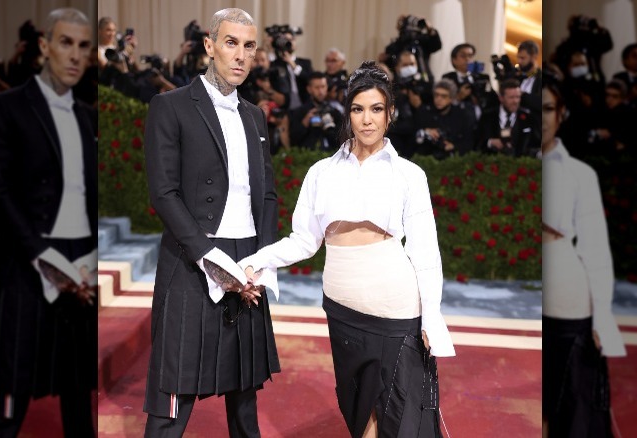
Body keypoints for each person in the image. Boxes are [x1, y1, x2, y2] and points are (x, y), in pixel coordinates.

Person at [237, 60, 455, 438]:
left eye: (376, 110)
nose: (366, 120)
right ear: (347, 113)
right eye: (358, 109)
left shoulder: (408, 175)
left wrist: (431, 316)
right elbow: (304, 240)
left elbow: (425, 251)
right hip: (342, 308)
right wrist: (257, 261)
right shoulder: (322, 172)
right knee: (360, 416)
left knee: (399, 420)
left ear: (390, 114)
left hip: (395, 308)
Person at [142, 8, 280, 438]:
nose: (240, 55)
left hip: (248, 260)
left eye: (249, 45)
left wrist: (263, 261)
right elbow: (164, 194)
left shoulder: (256, 117)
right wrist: (210, 258)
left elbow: (268, 196)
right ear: (209, 45)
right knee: (173, 397)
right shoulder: (170, 107)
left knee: (244, 398)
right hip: (193, 258)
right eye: (230, 42)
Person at [0, 8, 97, 437]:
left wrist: (91, 258)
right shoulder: (7, 108)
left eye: (84, 46)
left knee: (79, 394)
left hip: (81, 263)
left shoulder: (87, 117)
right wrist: (42, 257)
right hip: (26, 263)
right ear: (44, 46)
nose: (75, 55)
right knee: (9, 391)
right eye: (66, 42)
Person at [541, 72, 626, 438]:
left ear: (561, 114)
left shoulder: (580, 174)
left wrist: (602, 317)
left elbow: (595, 250)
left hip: (568, 303)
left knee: (569, 409)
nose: (540, 116)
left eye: (547, 108)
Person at [478, 78, 539, 157]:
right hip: (492, 165)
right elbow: (477, 141)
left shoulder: (528, 118)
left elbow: (535, 145)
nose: (515, 101)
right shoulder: (488, 116)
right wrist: (490, 142)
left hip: (521, 166)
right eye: (511, 97)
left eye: (518, 97)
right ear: (501, 98)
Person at [289, 71, 343, 150]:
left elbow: (341, 141)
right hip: (308, 157)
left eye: (323, 87)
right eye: (317, 88)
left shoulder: (335, 112)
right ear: (309, 89)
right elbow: (293, 140)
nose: (320, 91)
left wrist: (330, 127)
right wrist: (305, 123)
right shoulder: (300, 112)